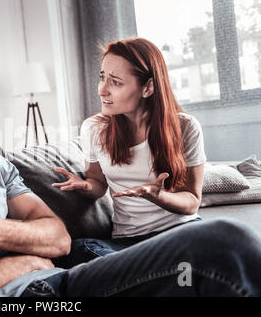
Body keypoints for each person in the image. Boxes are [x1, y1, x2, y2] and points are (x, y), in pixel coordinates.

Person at [0, 49, 261, 297]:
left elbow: (58, 238)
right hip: (30, 295)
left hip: (66, 281)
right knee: (223, 242)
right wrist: (25, 262)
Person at [52, 38, 207, 259]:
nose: (102, 90)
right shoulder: (94, 129)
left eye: (115, 82)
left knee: (223, 239)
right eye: (102, 77)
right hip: (128, 242)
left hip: (180, 233)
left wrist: (158, 196)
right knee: (79, 250)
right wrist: (85, 186)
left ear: (148, 87)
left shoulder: (186, 127)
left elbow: (192, 201)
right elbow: (98, 183)